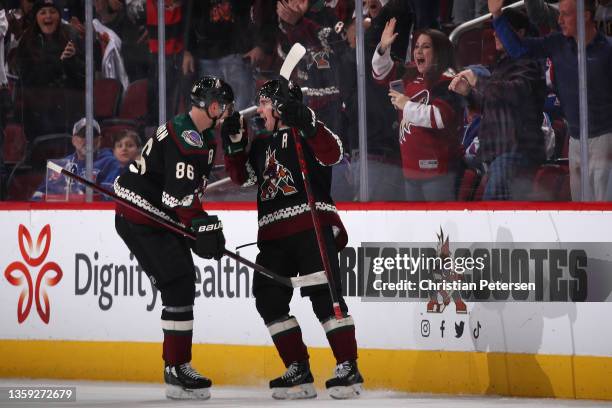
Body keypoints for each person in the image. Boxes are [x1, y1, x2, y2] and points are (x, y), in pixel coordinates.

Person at [223, 79, 363, 400]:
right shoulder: (260, 145)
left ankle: (348, 366)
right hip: (273, 235)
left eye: (263, 103)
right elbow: (242, 178)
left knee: (325, 296)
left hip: (309, 226)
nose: (258, 110)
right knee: (267, 297)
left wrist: (305, 118)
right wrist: (233, 142)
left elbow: (333, 153)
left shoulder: (306, 131)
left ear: (279, 105)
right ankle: (298, 367)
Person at [113, 76, 232, 400]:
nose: (225, 112)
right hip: (141, 215)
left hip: (157, 213)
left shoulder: (195, 131)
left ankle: (177, 366)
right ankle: (177, 368)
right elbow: (178, 198)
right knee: (178, 283)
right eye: (222, 106)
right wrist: (202, 226)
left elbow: (183, 194)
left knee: (181, 282)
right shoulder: (188, 139)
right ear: (211, 105)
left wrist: (199, 226)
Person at [488, 0, 612, 201]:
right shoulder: (558, 44)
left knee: (605, 210)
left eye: (566, 14)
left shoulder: (607, 51)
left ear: (585, 15)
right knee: (581, 209)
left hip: (606, 139)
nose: (559, 20)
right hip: (575, 140)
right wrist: (497, 16)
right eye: (559, 14)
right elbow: (518, 49)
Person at [449, 8, 547, 200]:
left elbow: (514, 94)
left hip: (516, 153)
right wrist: (468, 93)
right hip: (493, 152)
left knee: (492, 210)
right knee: (452, 166)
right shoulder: (502, 65)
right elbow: (489, 103)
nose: (495, 34)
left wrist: (478, 81)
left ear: (520, 33)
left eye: (501, 29)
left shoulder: (530, 65)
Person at [373, 19, 464, 201]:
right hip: (410, 171)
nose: (419, 51)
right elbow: (380, 74)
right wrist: (383, 49)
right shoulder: (411, 74)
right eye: (416, 47)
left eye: (426, 47)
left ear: (439, 52)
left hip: (438, 172)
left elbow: (439, 117)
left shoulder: (448, 80)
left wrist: (406, 105)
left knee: (439, 226)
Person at [15, 0, 85, 139]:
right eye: (43, 12)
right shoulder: (27, 41)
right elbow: (27, 78)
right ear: (36, 17)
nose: (48, 16)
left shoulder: (71, 36)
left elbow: (84, 76)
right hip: (38, 112)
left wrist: (72, 60)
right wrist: (58, 63)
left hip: (68, 112)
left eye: (52, 12)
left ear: (59, 16)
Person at [31, 117, 117, 200]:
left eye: (92, 135)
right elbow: (38, 196)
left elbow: (109, 197)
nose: (88, 139)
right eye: (83, 135)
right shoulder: (60, 165)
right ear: (73, 140)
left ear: (99, 140)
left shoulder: (109, 163)